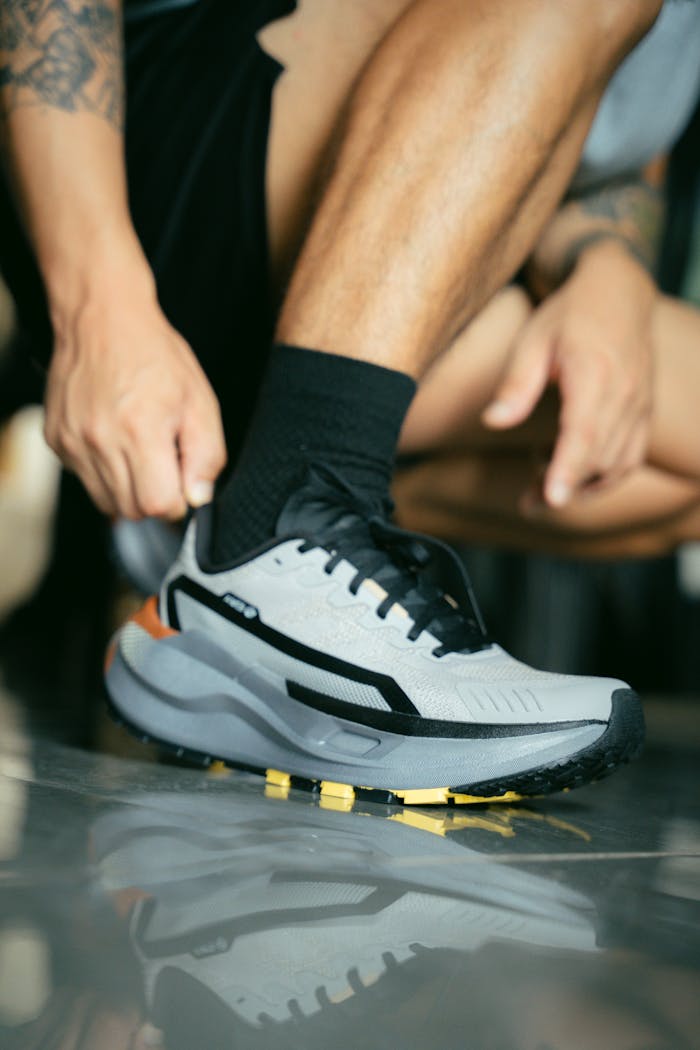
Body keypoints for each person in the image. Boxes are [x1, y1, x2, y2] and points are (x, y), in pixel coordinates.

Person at [0, 0, 680, 804]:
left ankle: (246, 527)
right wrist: (98, 303)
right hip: (157, 167)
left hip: (398, 276)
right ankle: (290, 507)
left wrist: (610, 266)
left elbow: (601, 137)